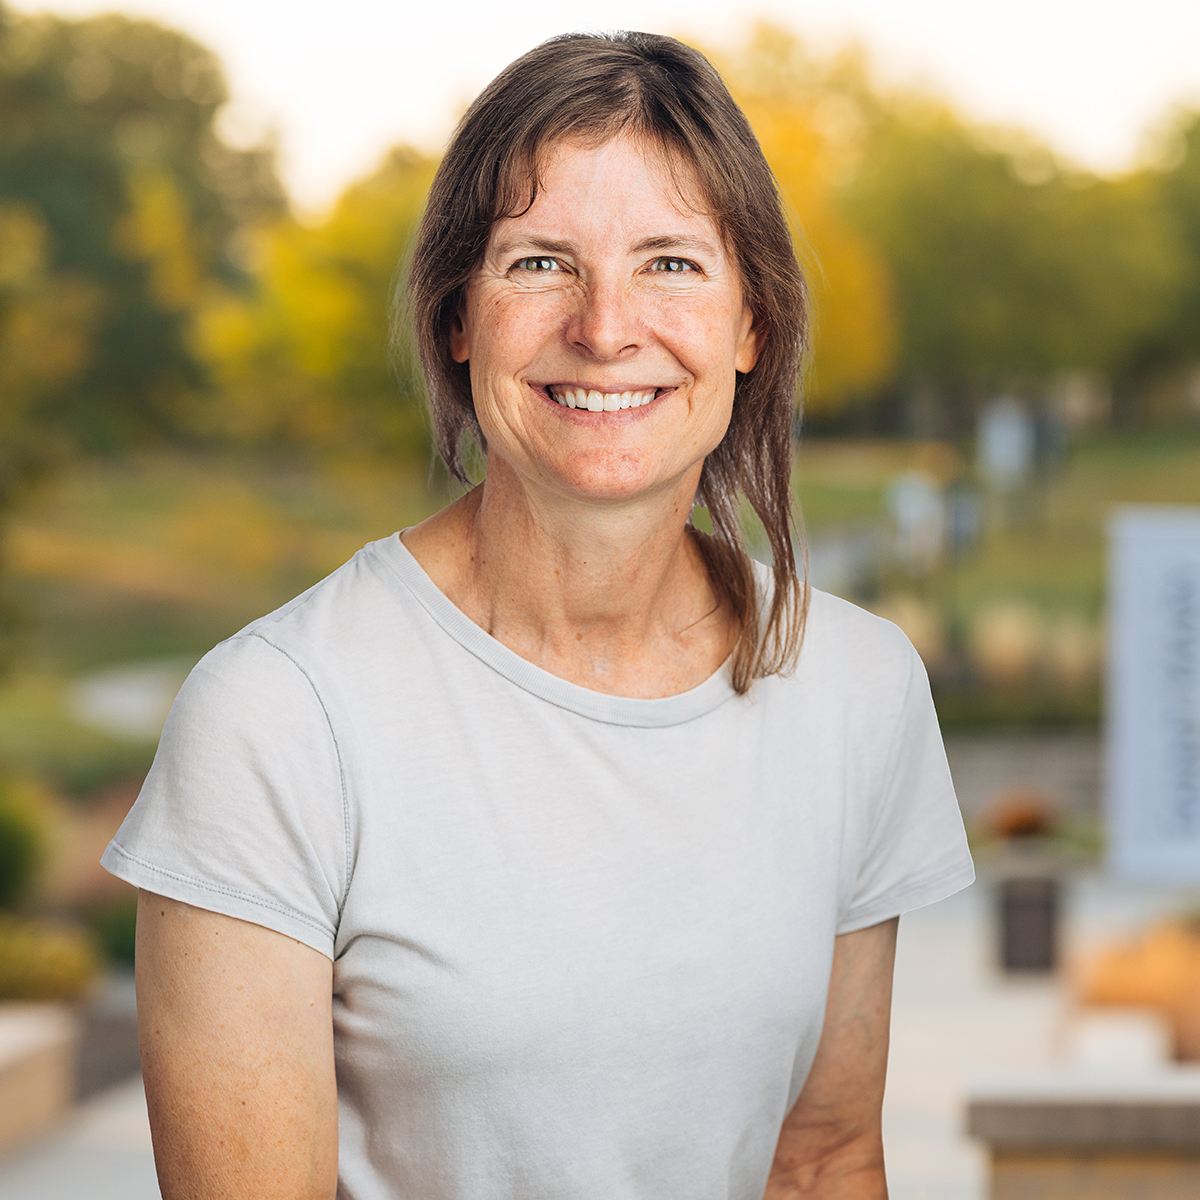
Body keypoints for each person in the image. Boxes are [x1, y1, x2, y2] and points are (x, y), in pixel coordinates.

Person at [103, 30, 973, 1200]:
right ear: (458, 321)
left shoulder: (856, 689)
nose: (607, 328)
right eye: (539, 264)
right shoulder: (278, 718)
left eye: (670, 263)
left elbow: (819, 1164)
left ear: (750, 325)